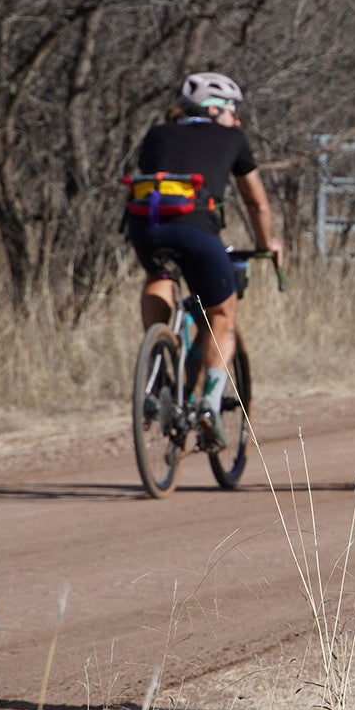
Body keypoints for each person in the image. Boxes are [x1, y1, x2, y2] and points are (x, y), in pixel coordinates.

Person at [123, 72, 284, 450]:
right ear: (213, 109)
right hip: (195, 228)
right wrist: (267, 243)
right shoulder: (232, 138)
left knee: (159, 273)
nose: (237, 119)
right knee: (222, 313)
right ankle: (210, 403)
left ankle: (158, 358)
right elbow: (256, 202)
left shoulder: (157, 134)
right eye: (232, 110)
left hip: (146, 228)